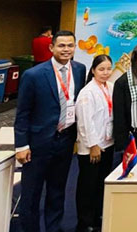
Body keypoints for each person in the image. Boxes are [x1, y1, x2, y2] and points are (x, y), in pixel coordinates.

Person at [14, 30, 86, 232]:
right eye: (61, 45)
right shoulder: (34, 75)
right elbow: (23, 113)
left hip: (65, 140)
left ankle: (54, 228)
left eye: (70, 45)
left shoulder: (79, 70)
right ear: (51, 47)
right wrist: (21, 145)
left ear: (75, 48)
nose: (66, 49)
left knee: (57, 190)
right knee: (32, 194)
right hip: (38, 143)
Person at [75, 55, 114, 232]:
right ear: (93, 71)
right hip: (92, 147)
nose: (105, 73)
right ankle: (85, 222)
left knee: (101, 182)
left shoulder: (110, 87)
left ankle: (98, 216)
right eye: (101, 69)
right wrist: (93, 145)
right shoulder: (87, 92)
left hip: (108, 143)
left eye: (108, 69)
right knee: (88, 185)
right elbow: (85, 122)